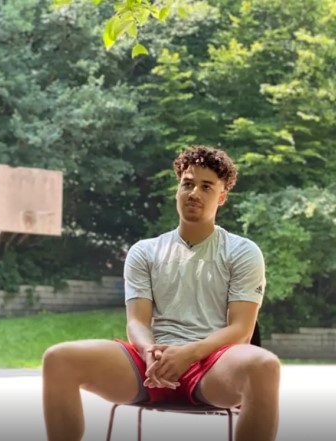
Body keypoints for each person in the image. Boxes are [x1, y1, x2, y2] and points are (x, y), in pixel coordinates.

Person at [42, 145, 280, 441]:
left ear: (221, 197)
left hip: (211, 364)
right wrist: (148, 352)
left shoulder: (242, 251)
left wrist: (188, 354)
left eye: (206, 187)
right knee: (58, 359)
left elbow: (241, 330)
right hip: (151, 363)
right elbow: (137, 322)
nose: (194, 193)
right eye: (188, 184)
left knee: (265, 365)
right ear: (177, 189)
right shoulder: (145, 251)